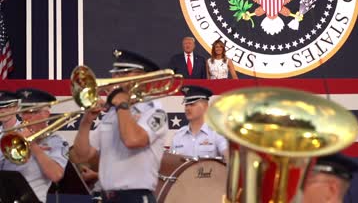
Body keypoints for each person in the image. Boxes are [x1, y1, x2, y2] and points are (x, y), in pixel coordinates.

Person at [72, 49, 168, 203]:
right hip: (106, 196)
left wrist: (121, 104)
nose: (116, 78)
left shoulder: (155, 111)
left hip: (135, 197)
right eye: (115, 73)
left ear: (142, 77)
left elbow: (133, 140)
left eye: (124, 73)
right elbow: (81, 156)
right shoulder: (113, 112)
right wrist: (86, 122)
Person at [1, 88, 68, 203]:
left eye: (31, 112)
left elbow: (56, 175)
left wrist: (33, 146)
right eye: (24, 112)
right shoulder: (13, 137)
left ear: (46, 114)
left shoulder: (55, 141)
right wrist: (11, 142)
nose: (26, 117)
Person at [171, 85, 228, 158]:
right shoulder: (178, 136)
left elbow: (229, 158)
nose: (187, 108)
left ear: (205, 106)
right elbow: (171, 163)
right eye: (186, 105)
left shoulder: (216, 133)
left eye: (192, 104)